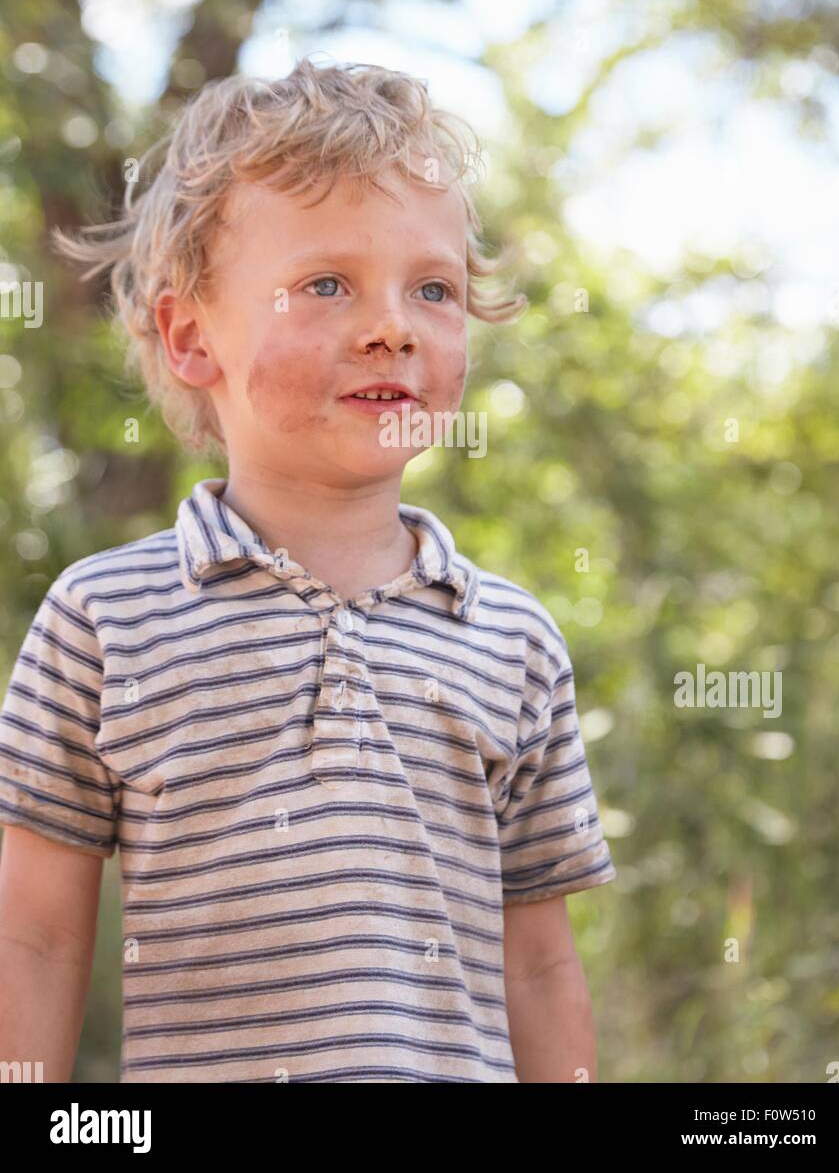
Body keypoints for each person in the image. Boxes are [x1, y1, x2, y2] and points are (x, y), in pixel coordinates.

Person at [0, 58, 616, 1083]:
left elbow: (541, 965)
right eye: (326, 284)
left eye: (434, 288)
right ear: (190, 335)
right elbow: (34, 939)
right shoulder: (105, 619)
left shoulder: (511, 638)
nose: (393, 326)